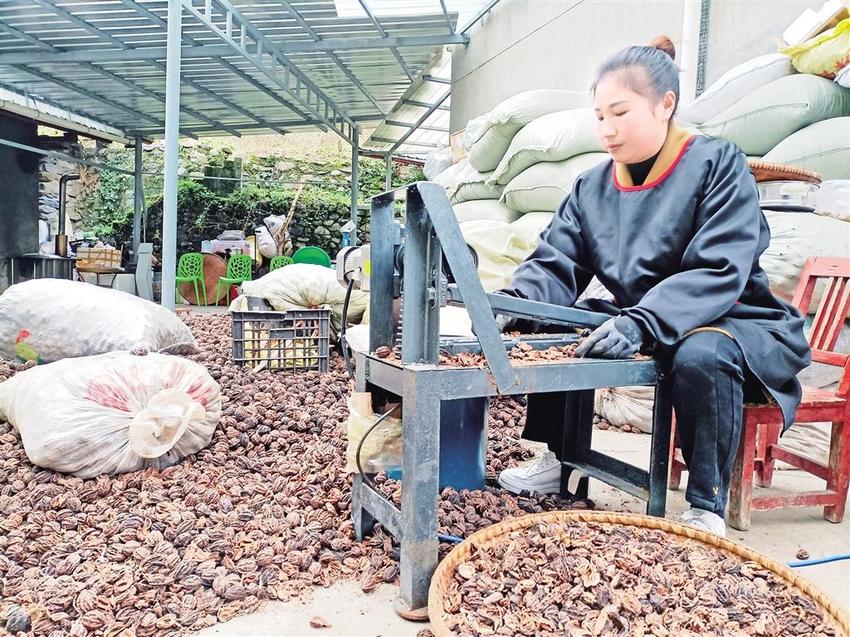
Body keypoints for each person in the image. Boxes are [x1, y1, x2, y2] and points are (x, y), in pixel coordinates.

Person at [494, 36, 811, 536]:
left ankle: (707, 501)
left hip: (731, 318)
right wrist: (512, 303)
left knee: (701, 352)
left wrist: (644, 321)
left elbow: (720, 268)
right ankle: (559, 457)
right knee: (556, 322)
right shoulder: (590, 187)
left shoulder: (718, 164)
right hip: (640, 317)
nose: (606, 129)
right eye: (599, 116)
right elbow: (556, 261)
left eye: (619, 112)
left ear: (666, 105)